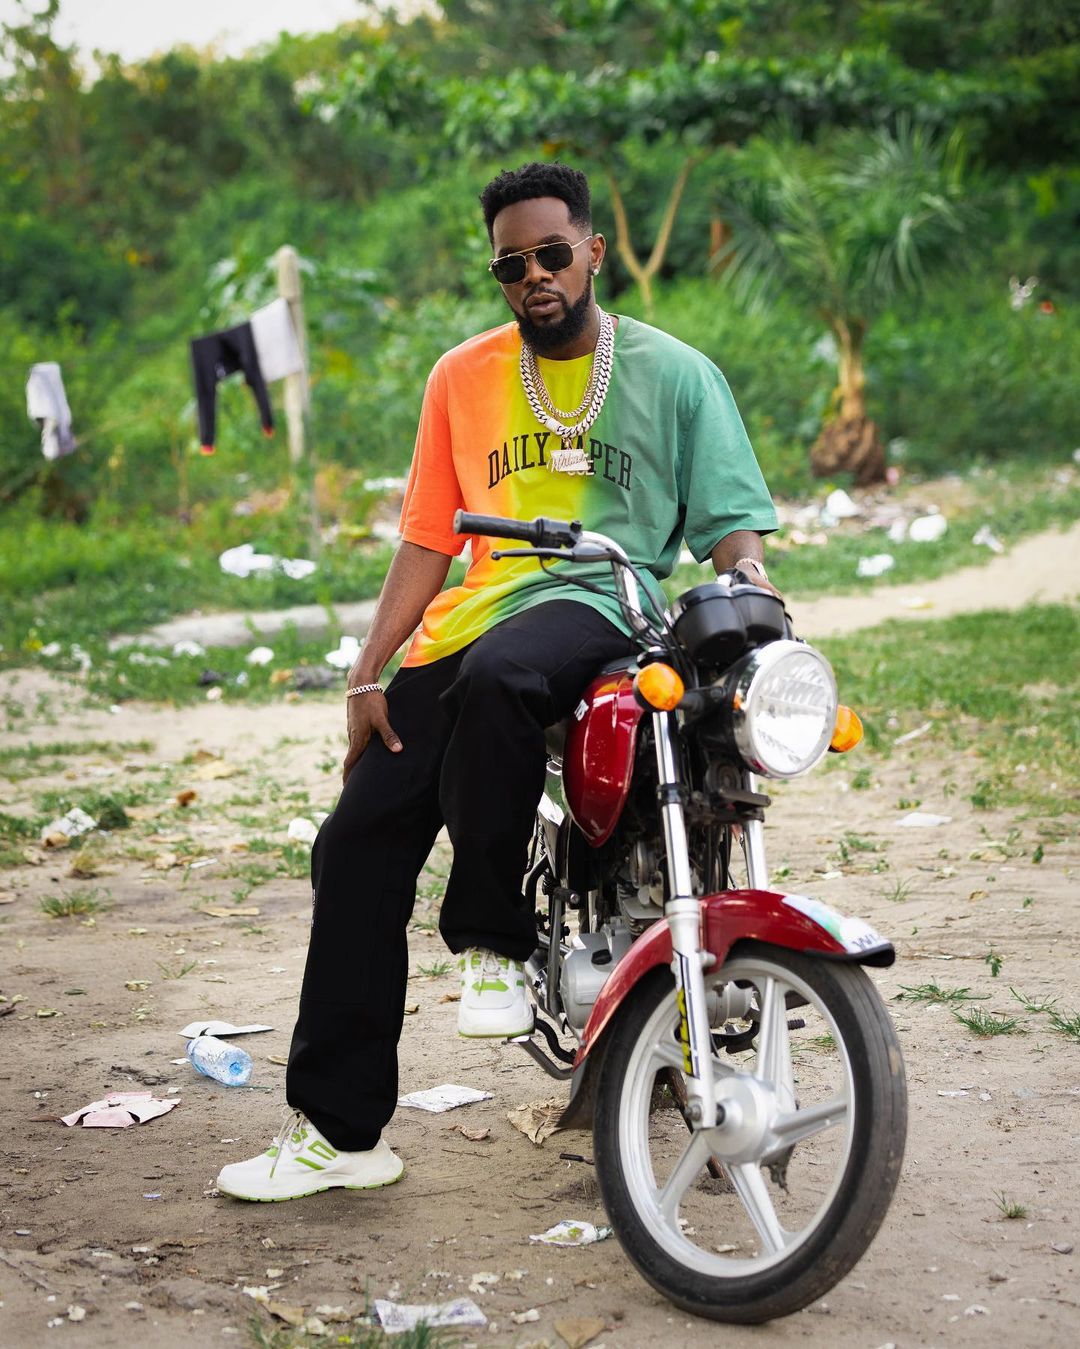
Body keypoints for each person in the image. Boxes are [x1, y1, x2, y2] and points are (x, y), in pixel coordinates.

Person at [217, 161, 779, 1202]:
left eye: (552, 254)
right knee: (354, 840)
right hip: (469, 624)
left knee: (507, 673)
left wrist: (753, 592)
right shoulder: (461, 377)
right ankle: (340, 1133)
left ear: (592, 252)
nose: (535, 277)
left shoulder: (676, 373)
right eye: (511, 266)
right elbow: (429, 538)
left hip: (601, 603)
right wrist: (368, 669)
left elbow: (732, 525)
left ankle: (489, 940)